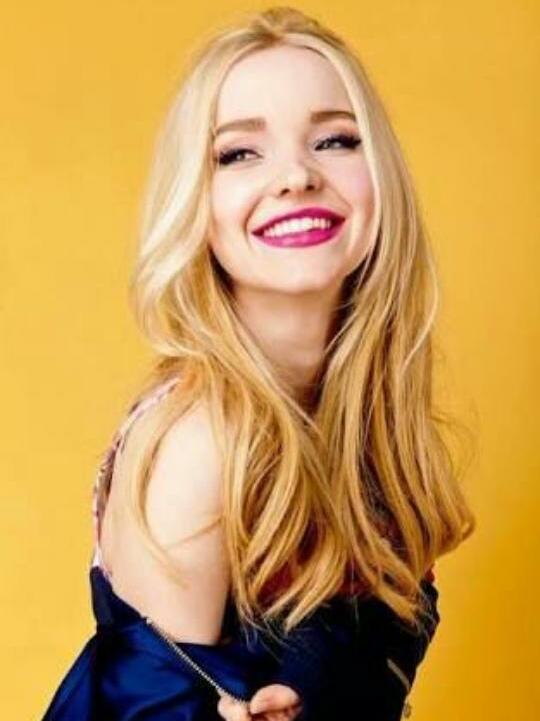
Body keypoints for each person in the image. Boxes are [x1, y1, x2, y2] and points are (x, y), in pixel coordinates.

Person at [40, 6, 476, 721]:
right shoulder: (206, 442)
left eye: (335, 140)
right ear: (195, 202)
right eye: (239, 153)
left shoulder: (359, 413)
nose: (296, 176)